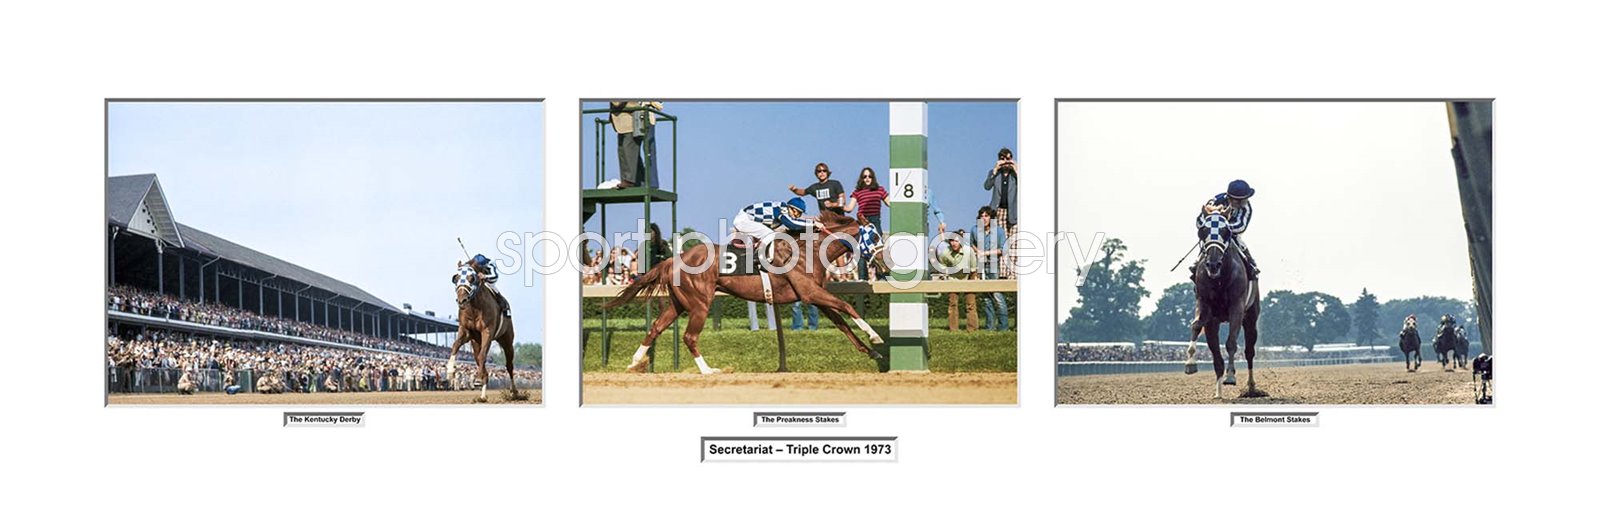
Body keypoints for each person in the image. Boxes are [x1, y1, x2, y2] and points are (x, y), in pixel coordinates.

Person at [1195, 179, 1258, 278]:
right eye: (1238, 200)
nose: (1242, 203)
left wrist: (1224, 227)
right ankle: (1196, 265)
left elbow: (1241, 226)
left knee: (1241, 245)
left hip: (1231, 233)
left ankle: (1251, 265)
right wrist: (1212, 227)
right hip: (1213, 232)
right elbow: (1200, 221)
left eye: (1244, 199)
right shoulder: (1215, 201)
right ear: (1229, 198)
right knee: (1208, 244)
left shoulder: (1246, 207)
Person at [597, 101, 663, 190]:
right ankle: (634, 180)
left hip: (631, 118)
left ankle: (630, 180)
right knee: (623, 150)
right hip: (623, 118)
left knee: (629, 148)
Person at [844, 167, 889, 280]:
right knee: (861, 251)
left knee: (878, 249)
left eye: (870, 176)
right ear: (862, 178)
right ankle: (862, 279)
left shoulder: (879, 189)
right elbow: (850, 208)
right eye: (865, 176)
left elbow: (889, 203)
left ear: (873, 178)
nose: (867, 179)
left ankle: (881, 276)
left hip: (874, 222)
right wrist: (838, 205)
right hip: (862, 222)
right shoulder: (857, 192)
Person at [934, 226, 979, 332]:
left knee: (971, 303)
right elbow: (942, 266)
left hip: (968, 277)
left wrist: (974, 280)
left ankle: (972, 329)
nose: (954, 243)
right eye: (952, 241)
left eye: (956, 241)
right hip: (953, 278)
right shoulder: (945, 253)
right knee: (952, 303)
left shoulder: (969, 251)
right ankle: (953, 329)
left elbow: (973, 269)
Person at [982, 148, 1018, 278]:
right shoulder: (994, 173)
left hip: (1013, 211)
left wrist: (1016, 169)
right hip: (998, 211)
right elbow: (987, 186)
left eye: (1008, 158)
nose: (1005, 162)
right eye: (1003, 158)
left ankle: (1013, 273)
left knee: (1013, 242)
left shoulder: (1015, 174)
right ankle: (1003, 273)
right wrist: (995, 170)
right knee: (1002, 242)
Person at [972, 206, 1009, 331]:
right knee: (986, 298)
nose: (984, 218)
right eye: (982, 216)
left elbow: (1003, 249)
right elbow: (972, 244)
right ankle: (989, 326)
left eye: (986, 216)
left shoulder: (998, 231)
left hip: (994, 265)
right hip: (981, 266)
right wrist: (978, 251)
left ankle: (1003, 326)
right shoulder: (974, 230)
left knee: (997, 295)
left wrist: (985, 253)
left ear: (991, 218)